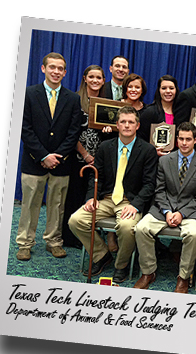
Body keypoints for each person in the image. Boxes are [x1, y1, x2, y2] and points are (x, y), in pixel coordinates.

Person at [69, 106, 158, 283]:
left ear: (137, 126)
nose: (126, 125)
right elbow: (97, 177)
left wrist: (135, 205)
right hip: (106, 199)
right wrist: (91, 197)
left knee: (126, 228)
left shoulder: (147, 150)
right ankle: (101, 255)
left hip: (129, 201)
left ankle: (121, 265)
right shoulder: (105, 147)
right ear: (117, 124)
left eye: (131, 122)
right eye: (123, 122)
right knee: (75, 220)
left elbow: (150, 184)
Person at [16, 52, 81, 261]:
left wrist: (58, 156)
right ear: (43, 69)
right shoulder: (28, 93)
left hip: (61, 164)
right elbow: (24, 128)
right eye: (52, 67)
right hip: (34, 161)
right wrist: (43, 155)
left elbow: (74, 132)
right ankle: (25, 243)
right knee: (30, 204)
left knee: (57, 205)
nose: (56, 71)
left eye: (60, 68)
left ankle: (54, 241)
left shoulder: (73, 99)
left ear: (65, 72)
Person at [134, 122, 196, 294]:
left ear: (195, 140)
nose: (184, 143)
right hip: (164, 208)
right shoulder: (164, 160)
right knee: (141, 228)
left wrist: (181, 214)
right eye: (181, 139)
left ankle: (183, 277)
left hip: (191, 211)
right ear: (176, 140)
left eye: (188, 139)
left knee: (193, 234)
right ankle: (148, 272)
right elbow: (159, 190)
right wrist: (168, 211)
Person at [62, 65, 109, 248]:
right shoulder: (75, 100)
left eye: (99, 77)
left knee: (91, 198)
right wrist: (85, 154)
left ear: (103, 80)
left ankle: (88, 237)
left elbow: (110, 134)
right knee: (74, 196)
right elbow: (70, 131)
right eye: (92, 77)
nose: (95, 80)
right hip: (77, 156)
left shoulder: (106, 103)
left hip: (98, 159)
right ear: (85, 78)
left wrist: (107, 131)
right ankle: (70, 237)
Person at [139, 75, 180, 156]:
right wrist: (153, 151)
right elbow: (140, 139)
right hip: (153, 159)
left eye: (171, 88)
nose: (168, 91)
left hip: (175, 159)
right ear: (159, 90)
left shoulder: (181, 112)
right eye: (164, 88)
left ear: (176, 90)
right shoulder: (149, 112)